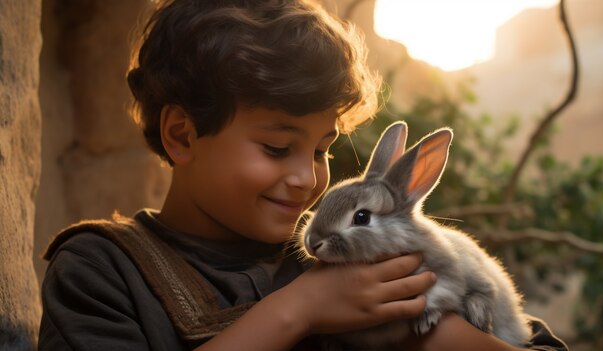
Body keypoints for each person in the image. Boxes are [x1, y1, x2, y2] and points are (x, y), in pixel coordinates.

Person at [38, 0, 568, 350]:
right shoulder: (101, 269)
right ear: (182, 135)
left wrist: (433, 325)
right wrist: (299, 310)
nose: (307, 179)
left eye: (321, 151)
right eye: (277, 147)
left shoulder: (364, 259)